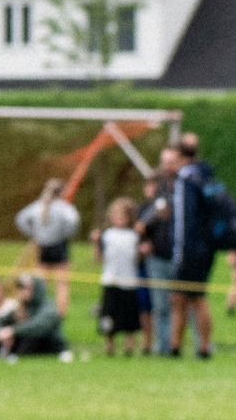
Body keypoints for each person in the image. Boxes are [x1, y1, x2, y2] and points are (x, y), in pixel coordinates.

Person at [169, 137, 226, 359]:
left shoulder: (186, 179)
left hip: (191, 249)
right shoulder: (204, 174)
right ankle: (177, 346)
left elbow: (185, 220)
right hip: (205, 247)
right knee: (181, 297)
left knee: (195, 298)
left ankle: (202, 347)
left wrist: (181, 252)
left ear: (179, 155)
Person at [15, 178, 82, 317]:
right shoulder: (63, 207)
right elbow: (74, 222)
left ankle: (39, 310)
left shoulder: (37, 206)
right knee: (62, 284)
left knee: (40, 284)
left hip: (42, 247)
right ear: (62, 192)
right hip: (59, 247)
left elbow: (20, 219)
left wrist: (34, 233)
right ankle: (60, 314)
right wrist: (65, 233)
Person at [135, 154, 179, 355]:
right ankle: (163, 345)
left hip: (178, 257)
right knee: (160, 305)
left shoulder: (180, 195)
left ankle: (184, 343)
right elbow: (140, 228)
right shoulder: (147, 207)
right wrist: (144, 242)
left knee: (183, 302)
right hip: (156, 259)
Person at [96, 198, 143, 357]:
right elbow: (99, 258)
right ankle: (109, 347)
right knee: (109, 316)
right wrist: (95, 243)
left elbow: (137, 259)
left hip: (129, 282)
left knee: (130, 318)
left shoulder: (134, 235)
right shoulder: (107, 235)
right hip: (111, 281)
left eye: (122, 215)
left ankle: (129, 347)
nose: (119, 218)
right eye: (115, 214)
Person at [0, 272, 68, 358]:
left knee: (33, 335)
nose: (23, 292)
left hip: (47, 343)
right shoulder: (21, 307)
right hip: (28, 344)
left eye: (27, 288)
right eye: (21, 288)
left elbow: (38, 326)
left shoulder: (48, 307)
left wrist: (13, 331)